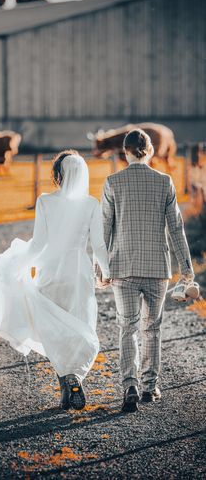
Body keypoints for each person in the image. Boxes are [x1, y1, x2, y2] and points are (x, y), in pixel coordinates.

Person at [0, 150, 110, 410]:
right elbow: (99, 246)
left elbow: (39, 244)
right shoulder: (91, 204)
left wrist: (18, 265)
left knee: (56, 332)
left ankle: (66, 387)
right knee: (79, 328)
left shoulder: (45, 202)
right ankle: (74, 378)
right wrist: (107, 272)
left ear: (59, 175)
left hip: (49, 273)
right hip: (78, 275)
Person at [101, 128, 194, 412]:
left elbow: (105, 229)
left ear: (125, 152)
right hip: (157, 269)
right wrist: (187, 270)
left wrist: (101, 269)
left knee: (126, 327)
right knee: (151, 329)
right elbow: (176, 229)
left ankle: (128, 385)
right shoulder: (164, 181)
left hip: (123, 268)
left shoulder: (112, 182)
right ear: (151, 151)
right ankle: (149, 387)